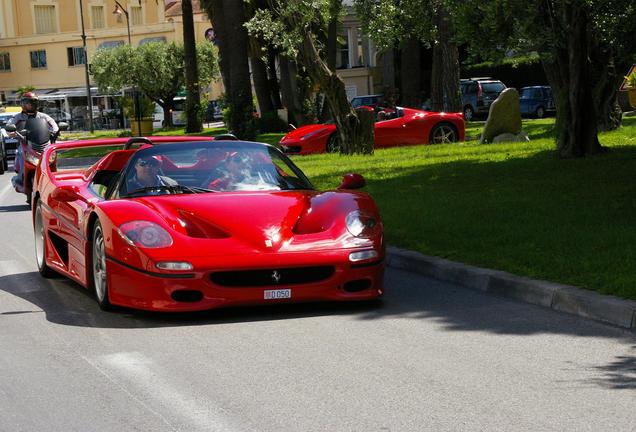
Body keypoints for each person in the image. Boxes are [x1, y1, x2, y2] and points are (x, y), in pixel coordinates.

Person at [8, 92, 59, 188]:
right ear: (23, 104)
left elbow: (53, 124)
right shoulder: (18, 117)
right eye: (28, 102)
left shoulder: (43, 116)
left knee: (52, 155)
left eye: (33, 102)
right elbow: (9, 124)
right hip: (24, 144)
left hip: (42, 144)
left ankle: (54, 177)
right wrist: (10, 132)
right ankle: (21, 178)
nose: (30, 105)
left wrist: (55, 131)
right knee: (19, 153)